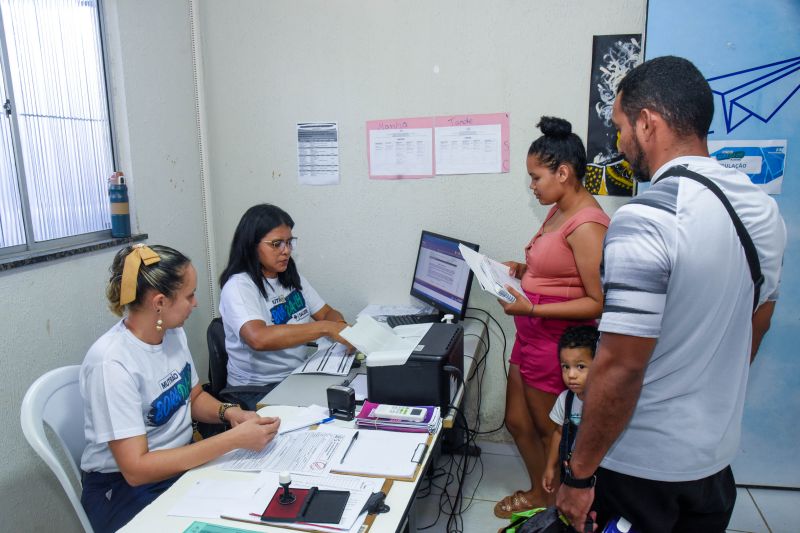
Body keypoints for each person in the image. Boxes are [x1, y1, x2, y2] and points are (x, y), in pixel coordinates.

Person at [556, 56, 786, 533]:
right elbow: (755, 324)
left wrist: (577, 476)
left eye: (620, 128)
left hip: (643, 471)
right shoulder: (763, 212)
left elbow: (621, 366)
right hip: (712, 462)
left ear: (647, 123)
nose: (618, 144)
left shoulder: (647, 218)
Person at [80, 244, 280, 532]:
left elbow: (193, 396)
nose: (195, 303)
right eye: (189, 296)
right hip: (124, 491)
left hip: (179, 466)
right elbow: (136, 469)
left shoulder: (172, 334)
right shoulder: (111, 363)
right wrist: (233, 440)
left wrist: (230, 413)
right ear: (159, 302)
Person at [494, 117, 609, 518]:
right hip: (530, 335)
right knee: (514, 419)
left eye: (536, 177)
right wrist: (523, 272)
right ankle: (540, 490)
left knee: (550, 432)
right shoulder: (559, 208)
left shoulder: (588, 224)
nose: (532, 186)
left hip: (553, 342)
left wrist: (535, 307)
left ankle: (553, 503)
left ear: (564, 172)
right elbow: (560, 272)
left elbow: (597, 301)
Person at [219, 204, 352, 410]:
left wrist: (340, 326)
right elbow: (258, 338)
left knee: (348, 398)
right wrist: (327, 328)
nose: (286, 251)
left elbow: (326, 312)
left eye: (289, 242)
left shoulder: (288, 275)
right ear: (251, 245)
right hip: (257, 390)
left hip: (295, 376)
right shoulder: (239, 286)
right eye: (276, 244)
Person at [542, 325, 598, 495]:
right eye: (566, 366)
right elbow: (559, 433)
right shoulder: (565, 400)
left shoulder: (606, 403)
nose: (571, 375)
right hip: (570, 471)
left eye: (580, 366)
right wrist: (550, 467)